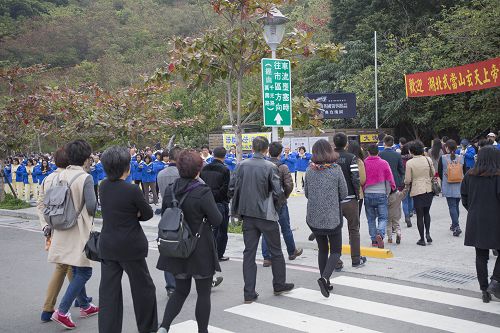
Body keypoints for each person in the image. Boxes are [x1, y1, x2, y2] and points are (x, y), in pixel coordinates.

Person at [157, 150, 222, 333]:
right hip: (199, 247)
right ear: (198, 169)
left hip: (178, 247)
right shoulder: (202, 191)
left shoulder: (171, 189)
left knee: (180, 291)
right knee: (203, 293)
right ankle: (202, 331)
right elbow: (216, 220)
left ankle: (164, 327)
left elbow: (166, 214)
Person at [39, 140, 98, 329]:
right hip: (78, 229)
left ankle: (85, 305)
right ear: (85, 157)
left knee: (74, 267)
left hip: (59, 227)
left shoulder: (57, 176)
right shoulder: (85, 177)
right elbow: (91, 207)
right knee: (85, 270)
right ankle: (62, 311)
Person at [98, 146, 157, 333]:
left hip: (107, 245)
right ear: (127, 167)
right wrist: (135, 214)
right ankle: (147, 328)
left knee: (109, 294)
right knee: (143, 289)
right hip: (130, 246)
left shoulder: (103, 186)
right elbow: (147, 213)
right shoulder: (132, 189)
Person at [229, 136, 294, 303]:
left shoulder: (240, 165)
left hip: (247, 215)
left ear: (252, 148)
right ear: (266, 150)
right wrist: (278, 206)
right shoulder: (270, 167)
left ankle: (249, 292)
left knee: (249, 253)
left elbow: (231, 188)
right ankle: (279, 284)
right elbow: (278, 192)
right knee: (276, 251)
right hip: (267, 214)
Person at [304, 139, 348, 297]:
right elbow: (343, 193)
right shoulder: (336, 169)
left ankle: (326, 282)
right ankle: (324, 278)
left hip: (314, 218)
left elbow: (307, 193)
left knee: (323, 249)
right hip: (332, 217)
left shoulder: (309, 170)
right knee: (336, 251)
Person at [461, 146, 500, 303]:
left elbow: (464, 197)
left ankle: (484, 289)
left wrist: (473, 208)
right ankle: (495, 280)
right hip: (496, 219)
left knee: (481, 255)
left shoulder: (469, 175)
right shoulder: (498, 176)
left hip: (476, 219)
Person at [260, 142, 302, 267]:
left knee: (266, 230)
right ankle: (291, 251)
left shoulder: (262, 166)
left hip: (265, 202)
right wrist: (285, 196)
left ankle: (267, 258)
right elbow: (289, 185)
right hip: (280, 201)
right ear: (280, 153)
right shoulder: (283, 167)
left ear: (268, 151)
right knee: (285, 228)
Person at [333, 133, 366, 268]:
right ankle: (356, 259)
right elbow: (355, 178)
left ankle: (337, 261)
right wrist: (357, 195)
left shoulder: (329, 158)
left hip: (335, 201)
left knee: (335, 231)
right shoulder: (351, 157)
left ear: (334, 143)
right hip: (351, 199)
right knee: (354, 230)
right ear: (346, 143)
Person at [157, 146, 183, 297]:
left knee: (168, 249)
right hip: (182, 215)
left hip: (167, 215)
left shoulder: (161, 174)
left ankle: (171, 286)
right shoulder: (184, 174)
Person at [200, 146, 231, 262]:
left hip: (206, 201)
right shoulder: (225, 170)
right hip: (220, 202)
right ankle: (218, 254)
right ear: (224, 156)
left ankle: (207, 253)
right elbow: (225, 189)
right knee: (222, 231)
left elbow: (202, 184)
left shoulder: (205, 168)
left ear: (213, 155)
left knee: (208, 229)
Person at [363, 144, 396, 249]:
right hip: (381, 194)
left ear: (368, 152)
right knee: (383, 218)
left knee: (371, 219)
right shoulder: (384, 163)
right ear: (378, 152)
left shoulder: (364, 163)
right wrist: (387, 192)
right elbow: (388, 179)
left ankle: (373, 240)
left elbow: (362, 179)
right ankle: (380, 234)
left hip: (368, 194)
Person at [405, 140, 435, 246]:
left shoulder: (410, 163)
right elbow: (433, 173)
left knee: (419, 215)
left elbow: (408, 179)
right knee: (427, 212)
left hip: (417, 190)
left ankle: (422, 238)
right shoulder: (428, 159)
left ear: (412, 151)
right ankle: (428, 234)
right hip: (428, 188)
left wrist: (406, 184)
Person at [379, 135, 405, 244]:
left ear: (384, 143)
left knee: (387, 212)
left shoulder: (380, 155)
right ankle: (397, 230)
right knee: (396, 208)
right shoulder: (397, 155)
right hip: (396, 185)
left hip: (384, 186)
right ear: (393, 143)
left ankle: (389, 236)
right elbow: (401, 170)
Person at [438, 140, 464, 237]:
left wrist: (446, 178)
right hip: (459, 185)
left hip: (448, 185)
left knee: (452, 206)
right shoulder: (461, 158)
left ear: (447, 148)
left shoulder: (443, 158)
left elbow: (440, 172)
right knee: (456, 205)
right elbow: (464, 172)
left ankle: (456, 226)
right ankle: (454, 224)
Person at [347, 141, 366, 217]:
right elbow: (362, 180)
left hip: (345, 193)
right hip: (357, 193)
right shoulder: (359, 161)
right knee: (355, 219)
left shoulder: (345, 159)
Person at [400, 142, 414, 227]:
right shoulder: (412, 159)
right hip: (412, 181)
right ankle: (410, 211)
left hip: (403, 182)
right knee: (410, 197)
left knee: (404, 200)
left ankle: (407, 216)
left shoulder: (400, 159)